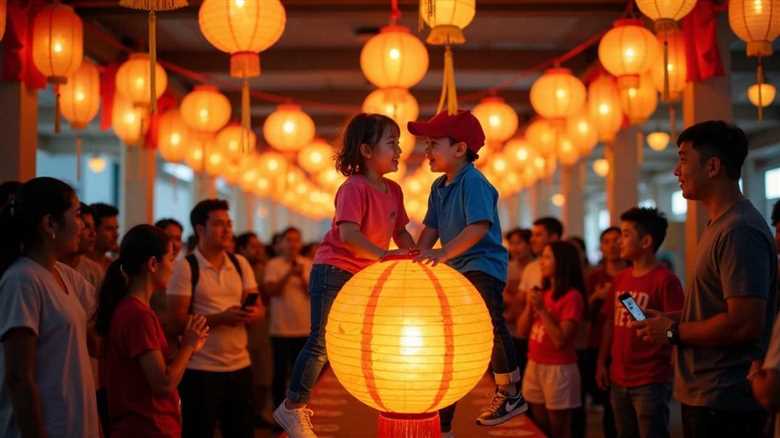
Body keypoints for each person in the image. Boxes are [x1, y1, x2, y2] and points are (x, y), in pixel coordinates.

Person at [273, 113, 415, 438]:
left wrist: (415, 255)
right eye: (392, 143)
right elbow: (349, 234)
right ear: (366, 150)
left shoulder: (393, 190)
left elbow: (401, 232)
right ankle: (292, 407)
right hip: (334, 269)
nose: (399, 151)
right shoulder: (353, 187)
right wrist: (385, 255)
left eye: (399, 144)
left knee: (366, 337)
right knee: (321, 341)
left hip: (364, 274)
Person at [635, 121, 777, 438]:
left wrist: (673, 332)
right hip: (706, 392)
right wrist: (673, 319)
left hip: (723, 397)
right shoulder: (719, 224)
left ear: (713, 166)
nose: (676, 170)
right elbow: (718, 309)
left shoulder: (739, 230)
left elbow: (744, 324)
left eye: (684, 159)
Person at [408, 110, 524, 433]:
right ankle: (442, 421)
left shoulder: (473, 181)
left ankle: (510, 391)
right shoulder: (438, 186)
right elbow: (431, 228)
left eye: (433, 144)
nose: (426, 151)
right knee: (454, 341)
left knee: (489, 324)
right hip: (455, 270)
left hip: (482, 266)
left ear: (460, 149)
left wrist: (443, 252)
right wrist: (414, 256)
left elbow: (478, 227)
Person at [0, 177, 99, 438]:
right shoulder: (22, 280)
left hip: (74, 423)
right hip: (51, 427)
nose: (82, 226)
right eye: (77, 216)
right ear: (49, 224)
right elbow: (19, 376)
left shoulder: (63, 274)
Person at [95, 224, 209, 438]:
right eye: (170, 259)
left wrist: (190, 349)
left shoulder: (135, 309)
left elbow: (148, 370)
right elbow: (163, 383)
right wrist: (187, 346)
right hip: (146, 426)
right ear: (153, 264)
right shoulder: (138, 315)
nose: (173, 267)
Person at [166, 199, 264, 438]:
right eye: (219, 224)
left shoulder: (239, 263)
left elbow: (259, 308)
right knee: (199, 431)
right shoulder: (186, 267)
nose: (227, 229)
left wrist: (250, 313)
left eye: (229, 223)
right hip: (201, 368)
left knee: (241, 432)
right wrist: (221, 318)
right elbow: (176, 321)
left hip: (240, 364)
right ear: (200, 229)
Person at [596, 208, 684, 438]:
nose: (618, 242)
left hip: (650, 378)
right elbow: (609, 324)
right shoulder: (621, 278)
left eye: (625, 235)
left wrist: (675, 368)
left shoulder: (666, 280)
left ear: (645, 241)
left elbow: (678, 326)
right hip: (618, 375)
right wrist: (602, 361)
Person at [516, 241, 585, 438]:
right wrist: (531, 306)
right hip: (535, 362)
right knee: (539, 425)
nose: (541, 262)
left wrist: (541, 310)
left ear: (562, 263)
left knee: (559, 428)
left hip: (559, 368)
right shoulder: (542, 293)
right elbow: (521, 331)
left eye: (547, 257)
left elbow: (560, 340)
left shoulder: (572, 297)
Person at [575, 227, 627, 438]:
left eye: (617, 240)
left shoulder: (633, 272)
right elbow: (581, 315)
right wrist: (596, 296)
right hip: (597, 343)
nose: (612, 245)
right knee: (607, 403)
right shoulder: (593, 276)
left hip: (626, 342)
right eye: (607, 241)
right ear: (601, 246)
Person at [263, 227, 313, 409]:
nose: (293, 244)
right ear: (281, 243)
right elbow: (271, 292)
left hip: (304, 328)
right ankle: (279, 412)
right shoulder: (273, 265)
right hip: (281, 329)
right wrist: (288, 274)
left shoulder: (308, 263)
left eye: (296, 240)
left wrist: (300, 276)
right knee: (280, 374)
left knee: (302, 375)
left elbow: (313, 293)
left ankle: (301, 410)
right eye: (289, 240)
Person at [236, 231, 273, 428]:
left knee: (263, 376)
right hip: (241, 331)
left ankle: (257, 414)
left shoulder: (263, 268)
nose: (258, 249)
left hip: (261, 328)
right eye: (253, 246)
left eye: (259, 245)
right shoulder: (235, 269)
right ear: (241, 249)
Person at [504, 228, 534, 374]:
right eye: (512, 243)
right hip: (510, 328)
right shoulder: (506, 267)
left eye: (519, 243)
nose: (515, 248)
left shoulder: (536, 267)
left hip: (532, 329)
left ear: (530, 244)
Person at [62, 203, 105, 288]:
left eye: (94, 227)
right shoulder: (51, 267)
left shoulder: (95, 271)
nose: (93, 234)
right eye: (86, 227)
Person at [89, 203, 120, 271]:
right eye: (109, 229)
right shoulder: (80, 266)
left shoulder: (114, 267)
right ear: (93, 230)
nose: (116, 235)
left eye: (116, 228)